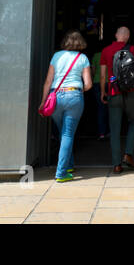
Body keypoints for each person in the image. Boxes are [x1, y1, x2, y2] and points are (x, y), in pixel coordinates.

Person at [41, 30, 91, 182]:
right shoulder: (83, 58)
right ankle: (61, 173)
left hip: (55, 97)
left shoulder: (57, 56)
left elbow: (48, 81)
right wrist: (77, 90)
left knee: (63, 132)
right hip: (73, 96)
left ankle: (69, 165)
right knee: (67, 134)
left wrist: (43, 102)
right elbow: (88, 84)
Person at [100, 25, 134, 173]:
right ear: (127, 37)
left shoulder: (106, 50)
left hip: (113, 92)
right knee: (133, 122)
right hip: (130, 92)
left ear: (116, 35)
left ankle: (116, 164)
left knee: (115, 129)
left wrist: (102, 92)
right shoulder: (131, 49)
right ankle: (128, 155)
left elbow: (103, 75)